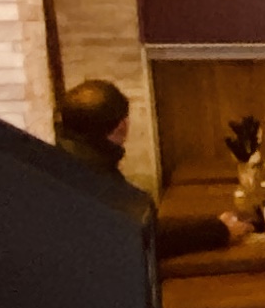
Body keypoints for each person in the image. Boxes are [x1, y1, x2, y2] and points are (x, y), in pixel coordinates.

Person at [57, 80, 242, 258]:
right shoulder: (96, 178)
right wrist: (219, 230)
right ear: (122, 126)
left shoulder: (62, 162)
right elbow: (144, 236)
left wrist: (214, 225)